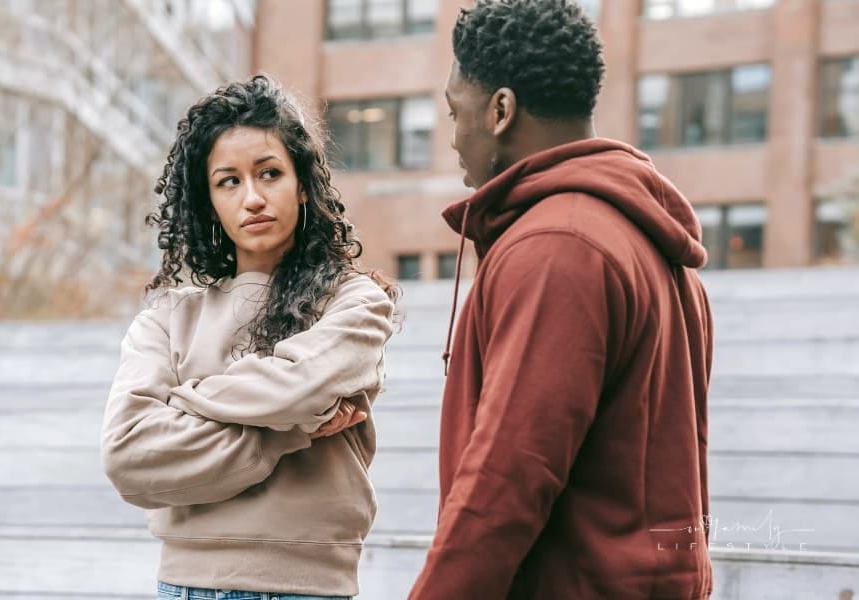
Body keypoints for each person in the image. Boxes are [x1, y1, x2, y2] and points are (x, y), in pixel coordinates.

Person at [409, 1, 714, 598]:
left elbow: (509, 475)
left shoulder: (558, 247)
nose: (452, 137)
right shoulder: (640, 241)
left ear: (500, 110)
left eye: (454, 112)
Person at [101, 75, 397, 600]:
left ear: (302, 182)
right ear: (207, 199)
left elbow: (302, 386)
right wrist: (290, 430)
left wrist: (186, 402)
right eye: (229, 181)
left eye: (269, 173)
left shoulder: (356, 302)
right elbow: (128, 458)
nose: (253, 197)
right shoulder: (167, 318)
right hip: (187, 586)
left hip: (310, 589)